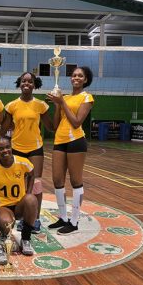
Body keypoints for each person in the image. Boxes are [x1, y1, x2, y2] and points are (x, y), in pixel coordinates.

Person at [1, 72, 52, 234]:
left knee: (35, 183)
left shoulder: (41, 105)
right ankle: (24, 216)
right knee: (21, 184)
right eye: (24, 81)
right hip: (16, 148)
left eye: (30, 81)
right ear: (19, 83)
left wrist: (58, 105)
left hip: (35, 148)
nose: (27, 83)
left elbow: (51, 127)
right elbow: (3, 129)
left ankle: (35, 219)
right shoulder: (11, 106)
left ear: (34, 84)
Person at [45, 66, 94, 235]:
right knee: (57, 180)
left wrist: (62, 102)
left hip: (76, 141)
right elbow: (56, 124)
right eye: (74, 75)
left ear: (85, 80)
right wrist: (57, 105)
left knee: (75, 181)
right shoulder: (64, 97)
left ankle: (74, 221)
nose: (76, 78)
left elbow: (76, 122)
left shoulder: (86, 97)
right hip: (60, 140)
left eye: (80, 76)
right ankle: (63, 217)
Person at [0, 136, 38, 256]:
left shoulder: (23, 162)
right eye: (1, 148)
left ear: (11, 147)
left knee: (31, 199)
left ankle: (25, 238)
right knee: (6, 224)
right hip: (2, 206)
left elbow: (32, 175)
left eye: (7, 147)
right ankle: (4, 232)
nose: (5, 151)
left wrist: (28, 192)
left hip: (20, 204)